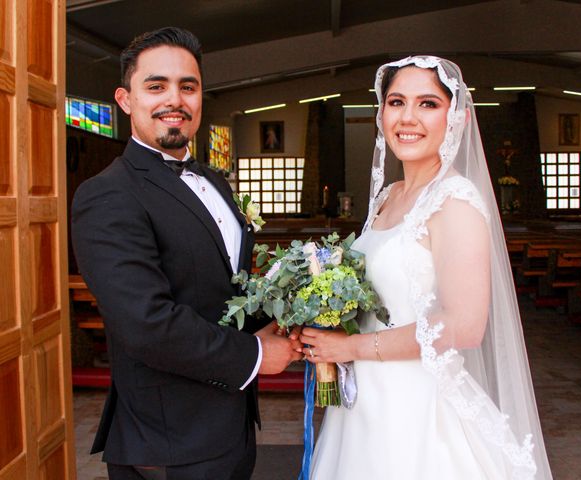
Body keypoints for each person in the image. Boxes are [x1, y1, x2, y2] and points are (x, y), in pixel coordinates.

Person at [300, 56, 553, 479]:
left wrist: (349, 348)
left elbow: (464, 326)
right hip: (365, 404)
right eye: (396, 102)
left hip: (417, 409)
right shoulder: (389, 196)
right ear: (380, 114)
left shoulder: (455, 202)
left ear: (457, 116)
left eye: (428, 104)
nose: (408, 117)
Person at [71, 27, 302, 480]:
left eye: (188, 87)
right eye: (156, 86)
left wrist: (280, 320)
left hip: (227, 425)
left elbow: (219, 286)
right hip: (168, 440)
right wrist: (255, 355)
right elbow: (146, 324)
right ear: (125, 99)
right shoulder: (107, 195)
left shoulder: (214, 182)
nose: (173, 99)